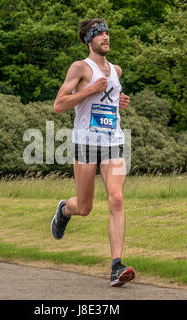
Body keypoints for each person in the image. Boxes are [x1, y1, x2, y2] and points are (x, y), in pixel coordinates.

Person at [51, 18, 135, 287]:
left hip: (113, 141)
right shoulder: (80, 68)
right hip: (86, 143)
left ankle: (116, 266)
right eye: (101, 35)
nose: (106, 38)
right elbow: (59, 105)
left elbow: (108, 102)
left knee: (117, 199)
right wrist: (88, 90)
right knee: (85, 207)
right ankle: (65, 210)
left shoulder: (116, 70)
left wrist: (119, 103)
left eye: (108, 33)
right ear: (90, 41)